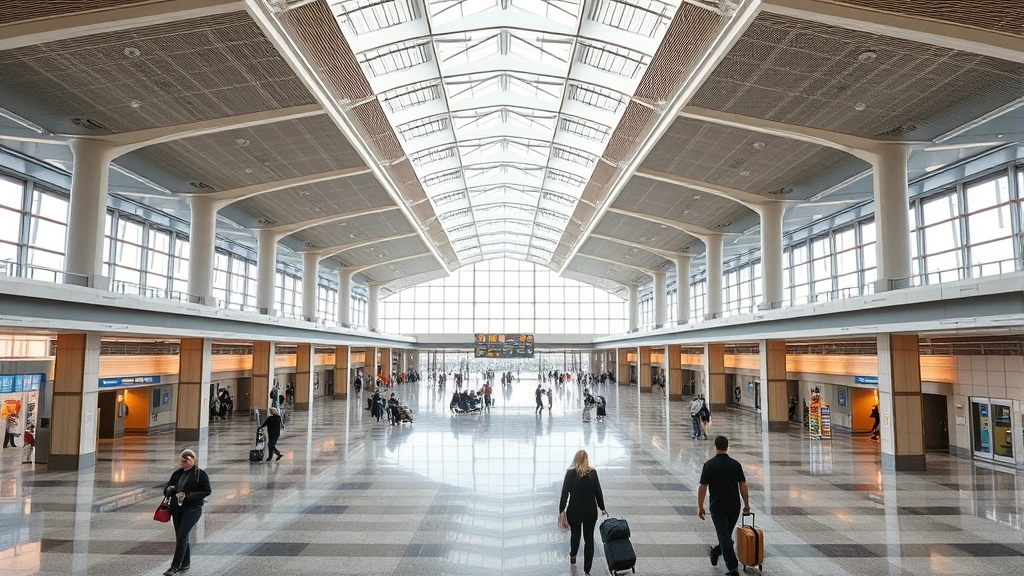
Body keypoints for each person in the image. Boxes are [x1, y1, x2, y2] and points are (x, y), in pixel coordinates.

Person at [698, 436, 750, 576]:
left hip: (717, 506)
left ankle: (733, 568)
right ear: (727, 446)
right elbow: (742, 485)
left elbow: (702, 487)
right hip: (734, 506)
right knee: (725, 536)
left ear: (715, 446)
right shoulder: (735, 464)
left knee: (724, 537)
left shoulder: (709, 465)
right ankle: (715, 552)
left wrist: (700, 506)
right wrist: (746, 504)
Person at [162, 448, 212, 576]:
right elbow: (167, 488)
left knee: (182, 535)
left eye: (188, 458)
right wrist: (170, 489)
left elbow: (206, 491)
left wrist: (187, 496)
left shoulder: (200, 474)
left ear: (193, 460)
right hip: (177, 508)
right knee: (181, 536)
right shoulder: (177, 473)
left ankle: (175, 566)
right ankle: (185, 563)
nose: (184, 460)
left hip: (193, 508)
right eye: (183, 458)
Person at [558, 450, 607, 576]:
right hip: (590, 511)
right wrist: (602, 508)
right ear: (586, 459)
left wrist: (561, 510)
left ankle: (573, 555)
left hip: (574, 511)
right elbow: (598, 492)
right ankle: (587, 570)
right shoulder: (593, 473)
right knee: (589, 539)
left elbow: (564, 493)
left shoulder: (570, 473)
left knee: (575, 535)